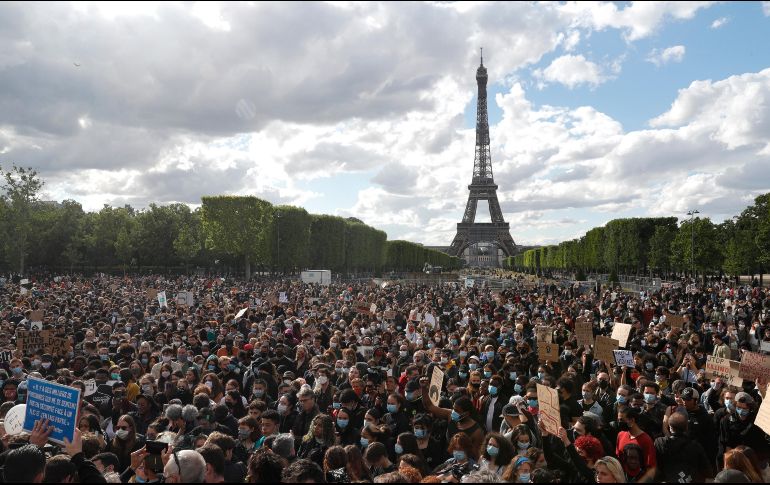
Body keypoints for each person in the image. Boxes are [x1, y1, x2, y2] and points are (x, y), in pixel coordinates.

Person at [653, 410, 712, 482]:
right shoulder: (695, 446)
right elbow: (706, 471)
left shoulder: (660, 443)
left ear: (670, 427)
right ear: (687, 427)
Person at [615, 406, 656, 482]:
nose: (619, 422)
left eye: (621, 420)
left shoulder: (646, 440)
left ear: (632, 420)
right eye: (618, 419)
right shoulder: (621, 435)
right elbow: (618, 459)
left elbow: (651, 470)